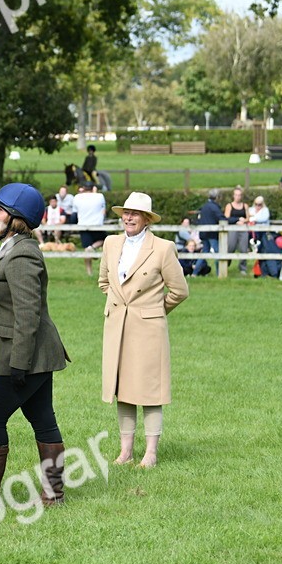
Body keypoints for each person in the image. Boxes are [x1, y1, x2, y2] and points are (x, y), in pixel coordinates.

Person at [0, 183, 68, 509]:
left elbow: (28, 314)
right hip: (32, 354)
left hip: (27, 355)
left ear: (15, 217)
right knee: (42, 418)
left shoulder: (23, 253)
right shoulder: (11, 247)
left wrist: (19, 365)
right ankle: (54, 497)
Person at [99, 192, 189, 469]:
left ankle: (150, 452)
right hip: (117, 326)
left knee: (149, 390)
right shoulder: (111, 243)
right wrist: (117, 304)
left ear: (146, 219)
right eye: (125, 212)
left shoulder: (163, 248)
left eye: (135, 213)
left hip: (148, 328)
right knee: (122, 389)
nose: (128, 217)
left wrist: (154, 309)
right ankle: (125, 451)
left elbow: (180, 290)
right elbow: (104, 281)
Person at [72, 182, 106, 275]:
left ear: (83, 188)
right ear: (93, 188)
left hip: (83, 225)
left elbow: (74, 214)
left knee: (86, 249)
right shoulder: (100, 196)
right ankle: (93, 247)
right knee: (104, 240)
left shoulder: (77, 197)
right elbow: (103, 210)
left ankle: (89, 272)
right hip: (97, 225)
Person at [191, 189, 224, 277]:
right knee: (218, 253)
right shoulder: (214, 207)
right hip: (211, 234)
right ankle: (219, 274)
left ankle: (194, 273)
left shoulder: (204, 206)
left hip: (203, 233)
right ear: (217, 197)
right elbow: (222, 218)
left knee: (204, 252)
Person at [222, 187, 249, 273]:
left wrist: (243, 220)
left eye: (239, 195)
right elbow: (226, 218)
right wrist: (237, 220)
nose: (238, 197)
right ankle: (226, 264)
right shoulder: (229, 206)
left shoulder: (245, 206)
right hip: (233, 228)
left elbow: (248, 218)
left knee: (244, 249)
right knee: (231, 247)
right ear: (233, 196)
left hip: (243, 229)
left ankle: (243, 268)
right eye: (236, 195)